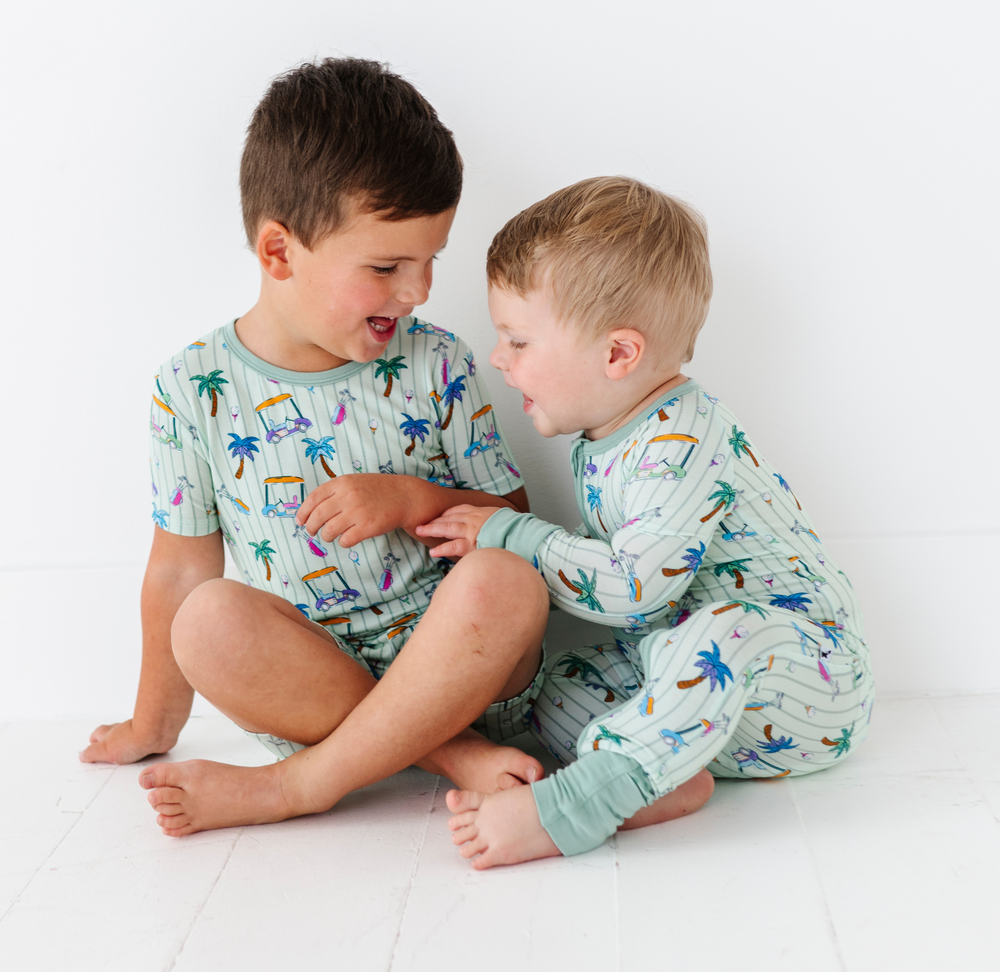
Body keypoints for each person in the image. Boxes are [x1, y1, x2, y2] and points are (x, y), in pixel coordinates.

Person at [81, 57, 553, 837]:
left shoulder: (438, 361)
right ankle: (447, 755)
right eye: (386, 266)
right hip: (307, 690)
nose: (419, 290)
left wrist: (413, 500)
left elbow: (510, 523)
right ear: (279, 253)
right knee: (203, 617)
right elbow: (177, 566)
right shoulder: (192, 387)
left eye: (431, 260)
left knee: (509, 581)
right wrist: (150, 723)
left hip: (461, 671)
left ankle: (296, 787)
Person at [419, 176, 874, 868]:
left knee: (723, 633)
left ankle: (580, 806)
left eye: (517, 340)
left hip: (804, 679)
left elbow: (636, 588)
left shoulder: (682, 439)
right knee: (561, 690)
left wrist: (510, 533)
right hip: (697, 686)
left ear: (618, 355)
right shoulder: (606, 436)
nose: (498, 358)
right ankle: (659, 777)